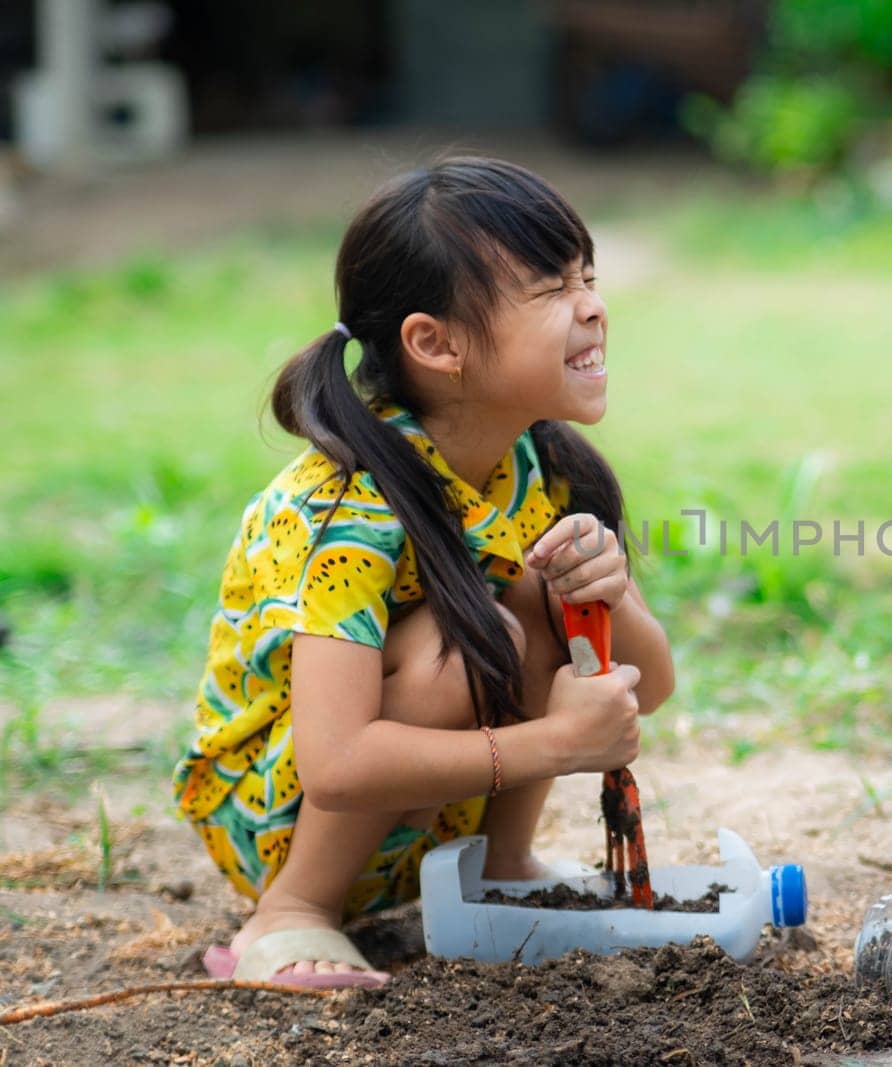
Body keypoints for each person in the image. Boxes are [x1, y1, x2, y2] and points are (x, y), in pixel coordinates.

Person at [172, 157, 674, 988]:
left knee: (525, 599)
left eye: (587, 276)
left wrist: (609, 593)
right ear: (434, 343)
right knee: (470, 640)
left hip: (441, 809)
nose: (592, 305)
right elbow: (335, 764)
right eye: (551, 289)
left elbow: (648, 687)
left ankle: (504, 868)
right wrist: (553, 740)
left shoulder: (543, 470)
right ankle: (294, 913)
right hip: (277, 813)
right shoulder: (344, 512)